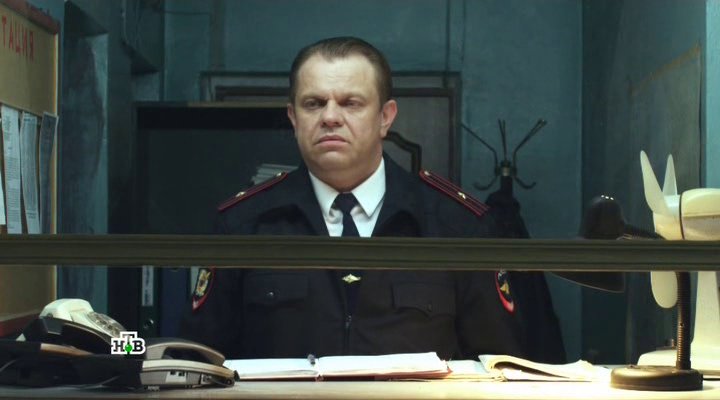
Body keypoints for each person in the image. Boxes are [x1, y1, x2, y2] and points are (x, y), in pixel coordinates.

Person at [180, 37, 528, 360]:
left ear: (385, 118)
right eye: (314, 104)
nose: (330, 117)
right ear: (293, 118)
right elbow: (199, 361)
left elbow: (499, 364)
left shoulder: (457, 224)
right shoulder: (244, 223)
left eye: (351, 103)